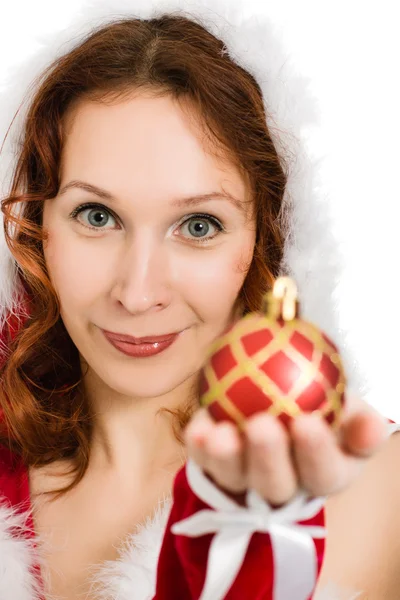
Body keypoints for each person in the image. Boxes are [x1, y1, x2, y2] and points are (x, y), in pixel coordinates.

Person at [0, 2, 397, 599]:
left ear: (267, 237)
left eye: (199, 226)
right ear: (38, 226)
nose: (137, 294)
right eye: (97, 215)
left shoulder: (365, 488)